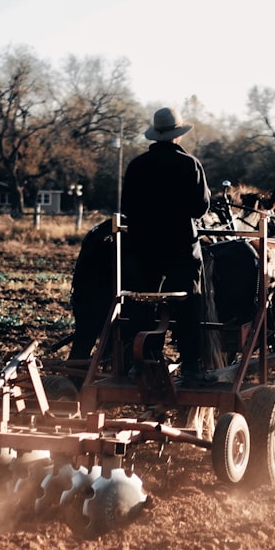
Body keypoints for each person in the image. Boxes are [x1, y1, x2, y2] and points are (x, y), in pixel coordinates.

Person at [120, 107, 212, 382]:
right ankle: (192, 366)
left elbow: (127, 208)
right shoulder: (189, 165)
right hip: (180, 251)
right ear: (177, 136)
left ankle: (140, 363)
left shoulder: (137, 165)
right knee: (190, 303)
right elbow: (200, 209)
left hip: (142, 251)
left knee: (141, 304)